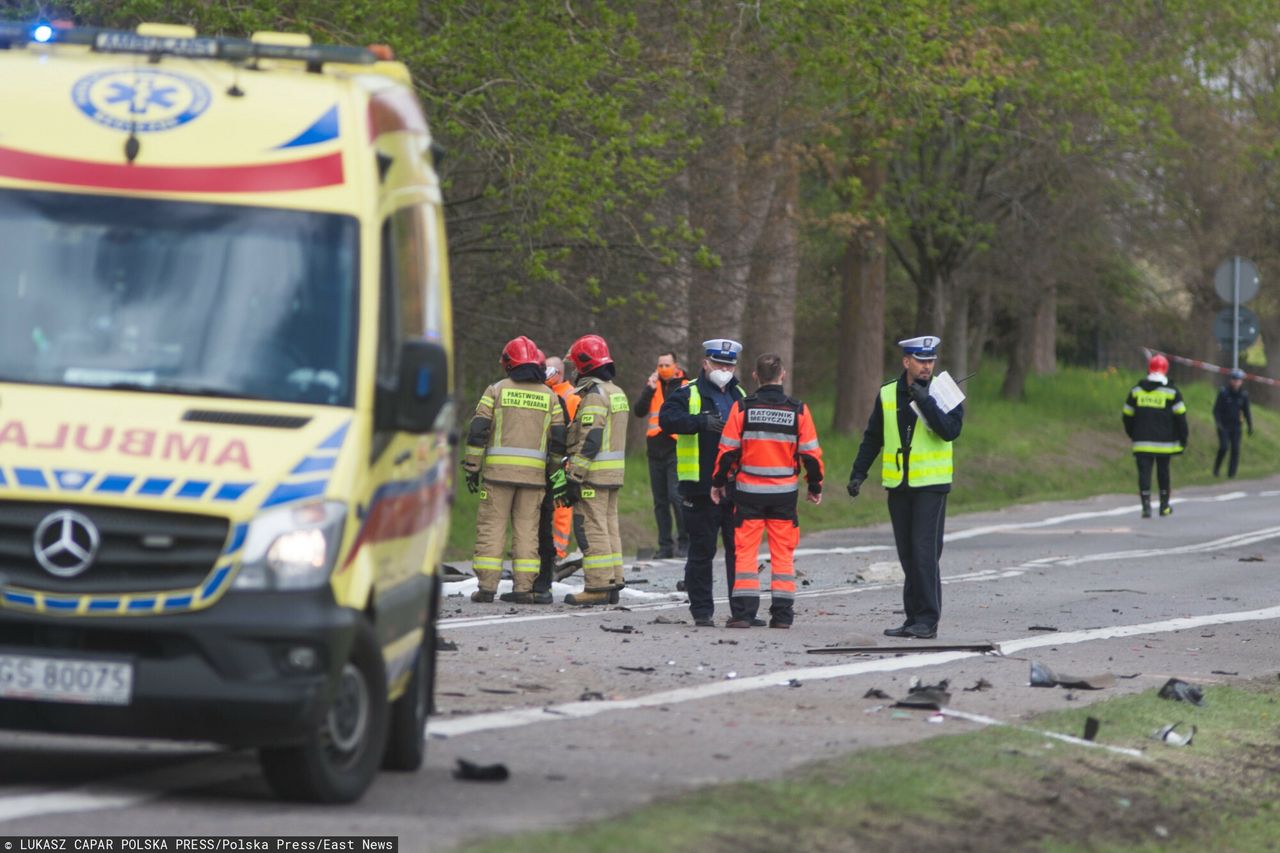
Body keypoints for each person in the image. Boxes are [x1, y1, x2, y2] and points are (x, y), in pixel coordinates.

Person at [847, 335, 963, 640]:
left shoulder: (945, 390)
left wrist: (926, 401)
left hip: (931, 485)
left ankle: (927, 619)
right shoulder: (888, 393)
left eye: (931, 360)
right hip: (898, 484)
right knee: (908, 554)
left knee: (925, 552)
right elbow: (874, 436)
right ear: (906, 361)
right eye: (921, 360)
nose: (927, 366)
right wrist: (859, 471)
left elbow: (951, 431)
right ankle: (913, 618)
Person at [711, 352, 823, 629]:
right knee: (783, 553)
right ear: (782, 375)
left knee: (746, 553)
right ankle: (783, 616)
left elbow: (727, 452)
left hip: (748, 493)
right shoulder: (798, 410)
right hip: (784, 494)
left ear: (755, 376)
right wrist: (815, 485)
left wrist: (718, 482)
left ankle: (743, 614)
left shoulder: (742, 408)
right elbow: (810, 455)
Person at [463, 336, 567, 603]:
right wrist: (553, 472)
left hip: (497, 477)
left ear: (509, 363)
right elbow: (558, 441)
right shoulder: (550, 396)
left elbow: (478, 432)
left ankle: (486, 588)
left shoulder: (495, 390)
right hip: (534, 480)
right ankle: (523, 589)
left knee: (492, 528)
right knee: (527, 532)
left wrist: (472, 467)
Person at [660, 338, 754, 628]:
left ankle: (742, 612)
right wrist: (699, 422)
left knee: (738, 551)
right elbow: (667, 419)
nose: (723, 369)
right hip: (699, 487)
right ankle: (702, 612)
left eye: (728, 364)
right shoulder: (687, 392)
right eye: (718, 363)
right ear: (705, 363)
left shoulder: (739, 393)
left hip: (735, 486)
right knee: (702, 551)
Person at [562, 334, 629, 605]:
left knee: (591, 528)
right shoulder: (617, 392)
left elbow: (590, 439)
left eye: (576, 366)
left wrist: (574, 475)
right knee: (609, 526)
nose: (574, 371)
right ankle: (613, 581)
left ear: (585, 365)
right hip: (613, 475)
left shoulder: (595, 396)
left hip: (594, 474)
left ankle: (598, 586)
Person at [529, 355, 591, 603]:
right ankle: (545, 559)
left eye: (549, 369)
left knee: (558, 511)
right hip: (547, 461)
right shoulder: (549, 393)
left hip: (559, 462)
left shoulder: (569, 395)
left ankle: (558, 552)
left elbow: (572, 429)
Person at [632, 352, 689, 558]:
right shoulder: (653, 386)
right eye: (660, 365)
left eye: (667, 364)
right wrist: (649, 389)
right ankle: (665, 545)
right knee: (660, 500)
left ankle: (685, 541)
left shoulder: (685, 384)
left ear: (676, 365)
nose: (663, 368)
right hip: (655, 449)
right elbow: (639, 411)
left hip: (675, 446)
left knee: (677, 496)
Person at [1122, 353, 1188, 517]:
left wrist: (1133, 434)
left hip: (1141, 441)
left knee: (1144, 474)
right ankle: (1164, 506)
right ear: (1165, 370)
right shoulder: (1171, 392)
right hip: (1164, 443)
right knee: (1163, 472)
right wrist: (1183, 438)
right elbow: (1181, 418)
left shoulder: (1136, 391)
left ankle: (1146, 507)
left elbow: (1127, 415)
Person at [1213, 367, 1253, 479]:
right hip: (1224, 426)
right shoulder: (1223, 393)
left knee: (1235, 449)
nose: (1236, 382)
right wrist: (1218, 423)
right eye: (1234, 379)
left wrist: (1250, 425)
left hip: (1236, 426)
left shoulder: (1243, 395)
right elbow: (1216, 410)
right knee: (1224, 447)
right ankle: (1216, 468)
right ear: (1230, 380)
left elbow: (1246, 411)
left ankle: (1231, 473)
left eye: (1238, 380)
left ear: (1241, 381)